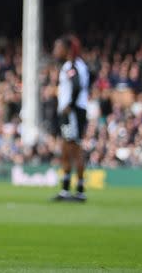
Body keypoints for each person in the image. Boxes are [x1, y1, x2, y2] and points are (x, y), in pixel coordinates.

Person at [52, 34, 90, 202]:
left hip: (72, 112)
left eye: (57, 47)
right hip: (75, 111)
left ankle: (80, 191)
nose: (55, 51)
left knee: (74, 149)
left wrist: (70, 105)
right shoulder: (78, 64)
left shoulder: (71, 65)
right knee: (67, 149)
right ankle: (66, 190)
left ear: (66, 49)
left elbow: (76, 85)